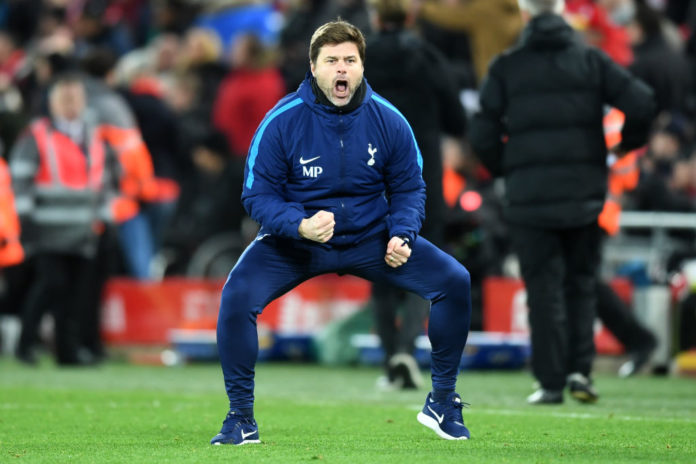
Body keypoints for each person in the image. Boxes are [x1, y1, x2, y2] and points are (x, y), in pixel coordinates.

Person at [211, 20, 472, 445]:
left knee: (454, 281)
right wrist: (298, 224)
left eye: (350, 60)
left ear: (362, 66)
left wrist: (402, 233)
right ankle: (240, 418)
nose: (342, 69)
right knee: (236, 297)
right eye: (332, 60)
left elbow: (410, 188)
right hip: (297, 242)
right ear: (313, 67)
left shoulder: (390, 120)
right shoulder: (281, 121)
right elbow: (257, 195)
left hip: (371, 239)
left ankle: (442, 402)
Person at [469, 0, 655, 404]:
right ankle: (580, 372)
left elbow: (481, 132)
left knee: (543, 289)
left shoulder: (507, 67)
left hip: (529, 196)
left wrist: (508, 168)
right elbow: (642, 101)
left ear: (525, 14)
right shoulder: (591, 60)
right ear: (561, 11)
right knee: (581, 284)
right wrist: (627, 144)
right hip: (583, 192)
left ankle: (550, 382)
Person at [364, 0, 467, 390]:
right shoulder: (427, 57)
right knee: (421, 258)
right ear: (408, 18)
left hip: (370, 171)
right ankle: (407, 348)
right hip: (420, 172)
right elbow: (457, 118)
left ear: (375, 17)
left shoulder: (360, 60)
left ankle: (390, 358)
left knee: (373, 259)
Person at [9, 75, 128, 365]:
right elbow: (20, 179)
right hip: (47, 229)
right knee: (52, 286)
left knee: (76, 294)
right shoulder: (37, 135)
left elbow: (105, 183)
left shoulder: (95, 137)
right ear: (52, 103)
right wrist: (26, 220)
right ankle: (26, 344)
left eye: (75, 98)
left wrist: (106, 221)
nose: (70, 104)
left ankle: (67, 352)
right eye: (65, 98)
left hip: (84, 231)